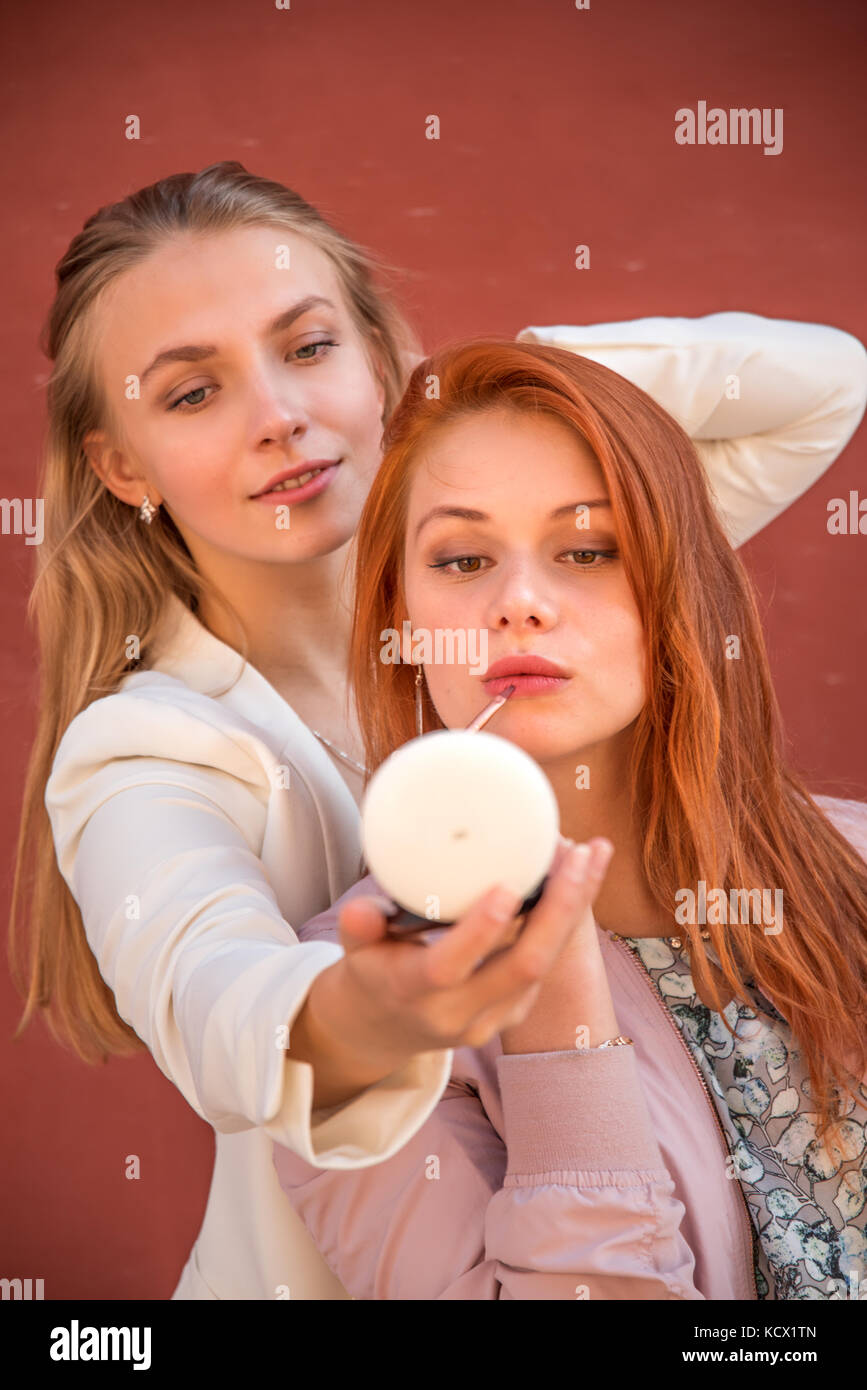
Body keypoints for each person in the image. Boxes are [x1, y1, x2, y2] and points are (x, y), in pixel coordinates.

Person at [8, 160, 866, 1301]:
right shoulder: (150, 750)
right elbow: (220, 996)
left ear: (379, 362)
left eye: (310, 349)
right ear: (122, 464)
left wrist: (491, 397)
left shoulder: (521, 601)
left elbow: (825, 381)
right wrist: (364, 1015)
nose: (281, 417)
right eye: (191, 392)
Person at [272, 336, 867, 1300]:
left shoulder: (852, 858)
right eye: (462, 559)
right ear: (407, 616)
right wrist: (554, 1010)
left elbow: (835, 372)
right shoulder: (361, 999)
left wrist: (502, 363)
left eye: (587, 548)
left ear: (680, 583)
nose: (517, 605)